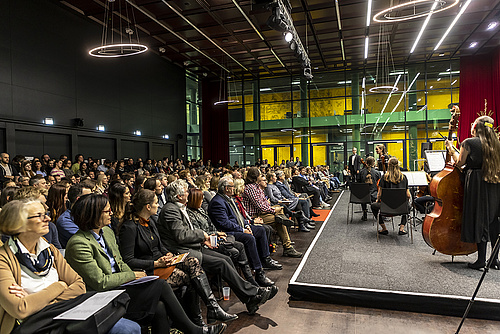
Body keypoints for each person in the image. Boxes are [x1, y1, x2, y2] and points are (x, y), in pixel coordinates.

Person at [65, 194, 226, 334]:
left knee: (160, 307)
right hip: (105, 296)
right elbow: (100, 282)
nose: (111, 213)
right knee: (162, 285)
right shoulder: (79, 243)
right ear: (93, 215)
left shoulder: (105, 231)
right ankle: (194, 330)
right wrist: (133, 275)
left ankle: (197, 325)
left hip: (124, 286)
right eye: (107, 211)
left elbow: (120, 262)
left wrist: (137, 277)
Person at [0, 200, 141, 334]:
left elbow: (79, 286)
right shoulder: (4, 259)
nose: (48, 219)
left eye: (46, 214)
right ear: (19, 223)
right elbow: (20, 309)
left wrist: (36, 300)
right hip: (34, 324)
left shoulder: (50, 250)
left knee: (130, 328)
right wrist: (60, 286)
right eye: (40, 216)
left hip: (66, 313)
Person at [157, 180, 278, 316]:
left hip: (193, 246)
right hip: (183, 251)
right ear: (179, 196)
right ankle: (253, 293)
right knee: (221, 262)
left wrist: (205, 238)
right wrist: (203, 235)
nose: (188, 194)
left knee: (226, 259)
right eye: (186, 191)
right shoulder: (170, 210)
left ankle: (250, 298)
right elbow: (181, 235)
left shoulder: (179, 207)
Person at [118, 189, 237, 325]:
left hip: (162, 262)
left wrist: (167, 253)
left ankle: (209, 311)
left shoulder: (150, 221)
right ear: (148, 206)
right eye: (156, 203)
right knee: (191, 277)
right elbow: (128, 260)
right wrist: (157, 263)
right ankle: (199, 318)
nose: (159, 206)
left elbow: (160, 245)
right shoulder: (129, 228)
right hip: (148, 269)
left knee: (193, 262)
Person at [445, 112, 500, 270]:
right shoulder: (497, 144)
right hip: (495, 183)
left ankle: (481, 260)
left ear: (476, 127)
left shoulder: (469, 142)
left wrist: (450, 148)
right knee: (494, 220)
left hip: (477, 183)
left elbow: (459, 163)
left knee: (480, 219)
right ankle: (494, 259)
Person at [208, 178, 282, 279]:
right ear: (226, 188)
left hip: (239, 226)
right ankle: (258, 271)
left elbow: (239, 216)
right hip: (227, 232)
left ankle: (265, 259)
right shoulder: (217, 202)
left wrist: (247, 225)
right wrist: (242, 230)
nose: (234, 188)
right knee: (249, 238)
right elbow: (225, 223)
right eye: (232, 187)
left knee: (261, 230)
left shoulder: (228, 198)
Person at [243, 167, 302, 258]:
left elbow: (265, 203)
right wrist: (273, 210)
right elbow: (261, 206)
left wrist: (273, 209)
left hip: (262, 213)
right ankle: (288, 247)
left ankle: (288, 244)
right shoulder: (251, 188)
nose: (262, 175)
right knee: (279, 219)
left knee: (280, 211)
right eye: (260, 174)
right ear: (255, 176)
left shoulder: (256, 187)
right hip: (255, 216)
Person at [371, 157, 410, 235]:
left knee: (373, 206)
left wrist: (378, 200)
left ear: (388, 165)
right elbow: (408, 195)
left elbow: (379, 194)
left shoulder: (384, 177)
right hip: (400, 208)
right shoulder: (403, 177)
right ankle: (401, 228)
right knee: (408, 206)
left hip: (386, 207)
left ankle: (384, 228)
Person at [358, 156, 381, 221]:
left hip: (363, 196)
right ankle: (377, 214)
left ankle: (364, 213)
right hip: (374, 195)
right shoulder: (377, 173)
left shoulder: (361, 172)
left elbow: (358, 183)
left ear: (366, 162)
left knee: (363, 193)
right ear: (373, 163)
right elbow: (379, 185)